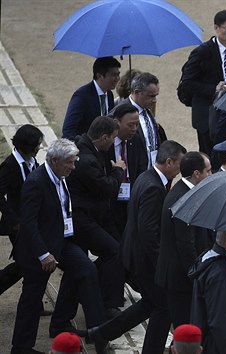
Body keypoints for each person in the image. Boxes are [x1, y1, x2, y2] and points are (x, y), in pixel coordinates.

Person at [86, 140, 186, 354]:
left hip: (136, 254)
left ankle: (101, 333)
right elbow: (148, 230)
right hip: (145, 259)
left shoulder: (147, 177)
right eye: (179, 164)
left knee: (150, 303)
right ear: (168, 162)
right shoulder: (153, 187)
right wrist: (162, 261)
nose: (180, 170)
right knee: (163, 306)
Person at [12, 139, 107, 354]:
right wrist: (44, 254)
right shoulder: (36, 182)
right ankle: (21, 348)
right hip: (40, 250)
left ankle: (97, 333)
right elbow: (28, 223)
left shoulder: (61, 175)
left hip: (61, 241)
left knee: (86, 270)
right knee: (32, 297)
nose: (73, 167)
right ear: (55, 160)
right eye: (70, 163)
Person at [51, 117, 125, 336]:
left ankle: (63, 320)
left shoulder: (88, 148)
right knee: (112, 251)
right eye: (112, 138)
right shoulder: (86, 159)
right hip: (81, 221)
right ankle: (102, 304)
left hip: (85, 218)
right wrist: (118, 171)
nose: (113, 143)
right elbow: (107, 188)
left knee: (78, 271)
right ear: (103, 137)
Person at [155, 151, 212, 328]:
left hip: (178, 275)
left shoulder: (184, 191)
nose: (211, 175)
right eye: (208, 171)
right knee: (185, 329)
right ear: (197, 174)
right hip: (179, 279)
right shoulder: (184, 198)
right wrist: (197, 275)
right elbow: (186, 244)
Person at [180, 10, 226, 156]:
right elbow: (187, 83)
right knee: (209, 157)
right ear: (216, 28)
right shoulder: (202, 52)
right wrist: (214, 89)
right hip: (207, 116)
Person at [0, 125, 44, 298]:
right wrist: (13, 220)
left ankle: (35, 302)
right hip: (18, 225)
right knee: (26, 263)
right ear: (27, 146)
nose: (39, 147)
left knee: (30, 262)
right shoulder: (9, 166)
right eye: (37, 145)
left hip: (33, 221)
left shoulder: (33, 162)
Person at [108, 103, 148, 239]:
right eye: (130, 125)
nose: (134, 129)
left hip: (130, 199)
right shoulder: (106, 142)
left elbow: (142, 167)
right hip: (110, 200)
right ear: (116, 122)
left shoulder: (135, 140)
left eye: (137, 125)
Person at [114, 72, 165, 169]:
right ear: (137, 92)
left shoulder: (146, 108)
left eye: (156, 95)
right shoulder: (119, 113)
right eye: (151, 96)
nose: (155, 100)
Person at [62, 57, 120, 139]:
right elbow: (68, 130)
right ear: (99, 76)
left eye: (118, 74)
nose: (117, 79)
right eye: (113, 75)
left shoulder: (109, 95)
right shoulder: (82, 96)